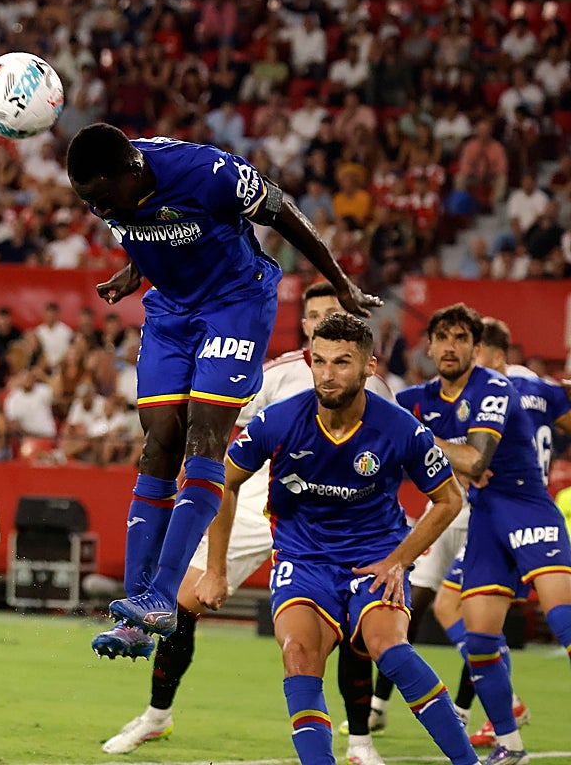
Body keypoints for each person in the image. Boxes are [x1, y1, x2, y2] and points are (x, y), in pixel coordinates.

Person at [65, 122, 380, 642]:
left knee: (203, 438)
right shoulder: (110, 189)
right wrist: (136, 269)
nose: (99, 210)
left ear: (132, 171)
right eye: (88, 201)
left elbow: (283, 212)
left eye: (101, 198)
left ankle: (163, 597)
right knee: (158, 443)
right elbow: (148, 228)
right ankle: (135, 613)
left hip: (234, 302)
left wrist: (340, 281)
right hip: (169, 310)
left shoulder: (208, 172)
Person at [101, 282, 394, 765]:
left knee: (352, 622)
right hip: (263, 501)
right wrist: (216, 566)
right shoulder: (276, 375)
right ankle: (156, 716)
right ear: (303, 326)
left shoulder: (376, 386)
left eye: (333, 313)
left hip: (337, 518)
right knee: (181, 605)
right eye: (315, 315)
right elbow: (230, 453)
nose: (323, 322)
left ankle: (360, 743)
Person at [220, 313, 477, 765]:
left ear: (368, 367)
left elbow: (450, 500)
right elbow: (223, 481)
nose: (327, 373)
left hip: (375, 559)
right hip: (304, 561)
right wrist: (216, 569)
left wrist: (399, 560)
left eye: (342, 362)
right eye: (319, 361)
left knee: (390, 651)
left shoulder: (400, 429)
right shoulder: (277, 421)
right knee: (298, 654)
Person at [390, 307, 571, 764]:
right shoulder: (416, 398)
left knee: (565, 620)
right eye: (441, 337)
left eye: (460, 337)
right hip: (486, 520)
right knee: (482, 638)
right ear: (427, 346)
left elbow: (474, 461)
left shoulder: (495, 386)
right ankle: (510, 746)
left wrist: (414, 436)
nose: (450, 346)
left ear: (476, 347)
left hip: (528, 508)